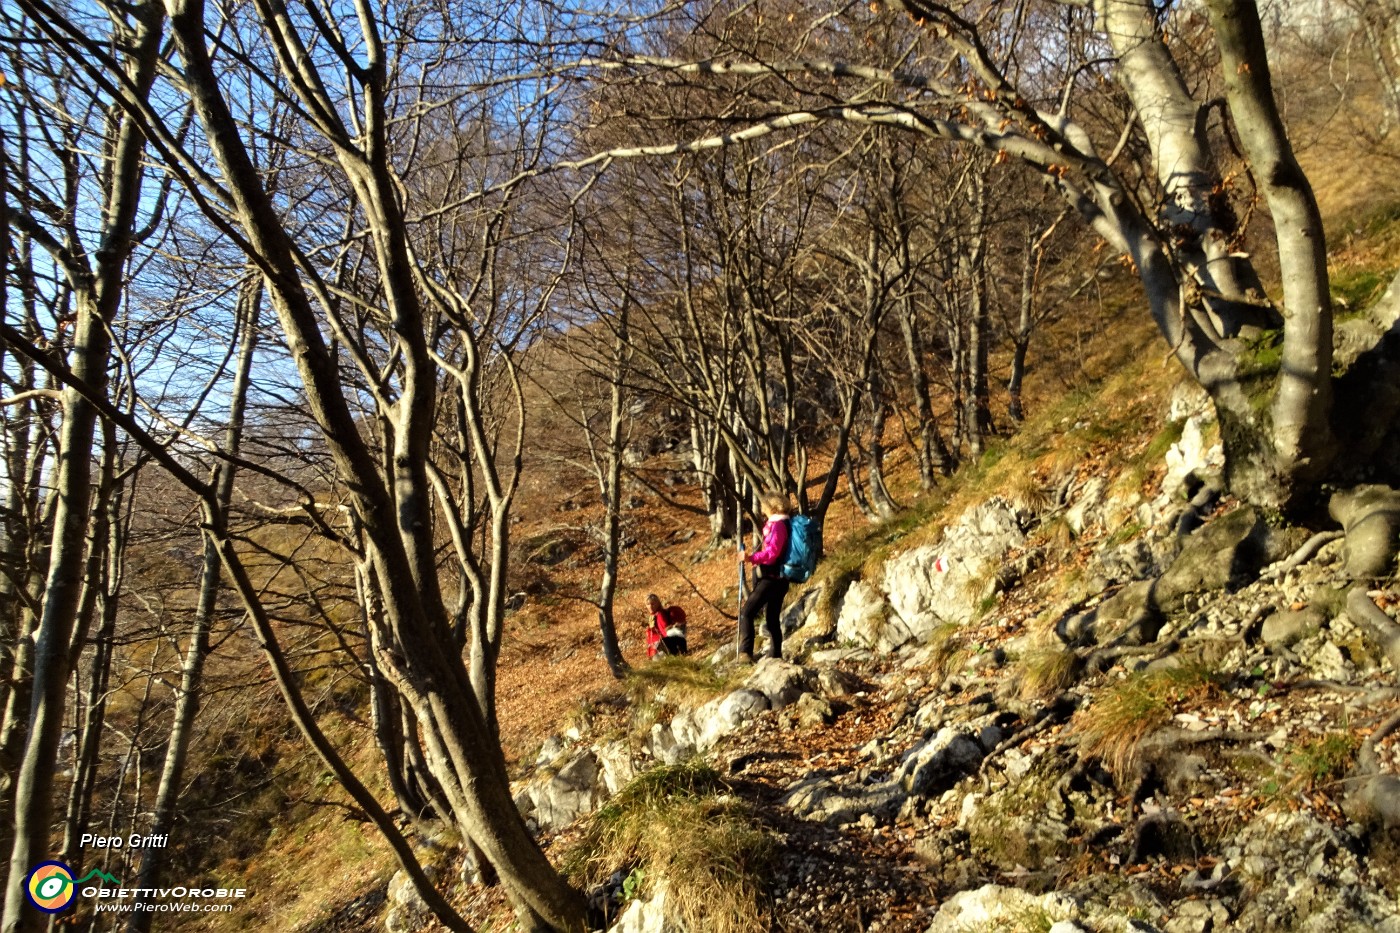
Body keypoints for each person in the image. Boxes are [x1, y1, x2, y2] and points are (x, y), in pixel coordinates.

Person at [738, 492, 793, 662]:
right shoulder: (785, 523)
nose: (763, 509)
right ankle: (776, 654)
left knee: (747, 612)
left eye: (765, 506)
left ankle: (745, 653)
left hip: (772, 578)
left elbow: (773, 553)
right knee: (771, 618)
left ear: (773, 507)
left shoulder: (778, 526)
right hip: (781, 578)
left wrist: (751, 558)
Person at [645, 594, 688, 658]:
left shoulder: (660, 615)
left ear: (658, 604)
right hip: (660, 648)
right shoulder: (654, 616)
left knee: (657, 659)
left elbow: (665, 633)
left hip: (665, 648)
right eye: (648, 604)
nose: (650, 607)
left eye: (653, 604)